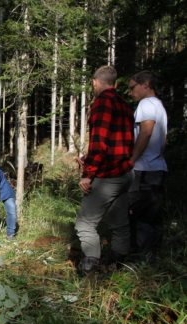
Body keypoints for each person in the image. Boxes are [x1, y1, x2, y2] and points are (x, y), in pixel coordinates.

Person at [74, 65, 134, 274]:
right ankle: (117, 265)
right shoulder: (125, 105)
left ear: (95, 82)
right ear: (115, 83)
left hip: (108, 176)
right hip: (125, 173)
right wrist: (88, 159)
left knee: (85, 224)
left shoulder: (102, 104)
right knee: (119, 223)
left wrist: (88, 174)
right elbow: (118, 143)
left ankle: (91, 268)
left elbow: (100, 143)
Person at [127, 70, 167, 260]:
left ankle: (141, 260)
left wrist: (132, 159)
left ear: (146, 84)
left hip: (144, 170)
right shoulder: (159, 105)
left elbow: (146, 131)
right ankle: (153, 258)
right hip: (157, 167)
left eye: (132, 87)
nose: (130, 92)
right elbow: (163, 140)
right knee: (152, 215)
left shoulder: (146, 104)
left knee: (139, 214)